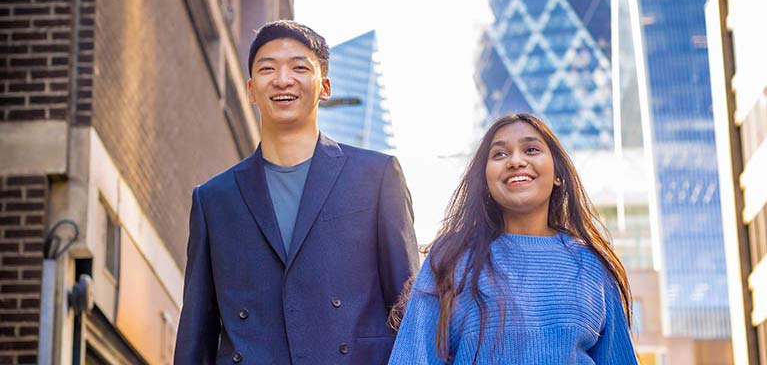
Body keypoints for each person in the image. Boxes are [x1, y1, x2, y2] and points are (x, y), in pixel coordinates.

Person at [174, 20, 419, 364]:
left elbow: (410, 313)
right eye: (267, 68)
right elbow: (195, 334)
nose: (283, 79)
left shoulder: (377, 177)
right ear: (250, 89)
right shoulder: (214, 199)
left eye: (299, 67)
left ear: (325, 86)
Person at [388, 114, 638, 364]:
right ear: (485, 180)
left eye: (531, 149)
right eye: (499, 154)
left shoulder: (593, 267)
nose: (516, 161)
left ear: (558, 175)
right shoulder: (451, 258)